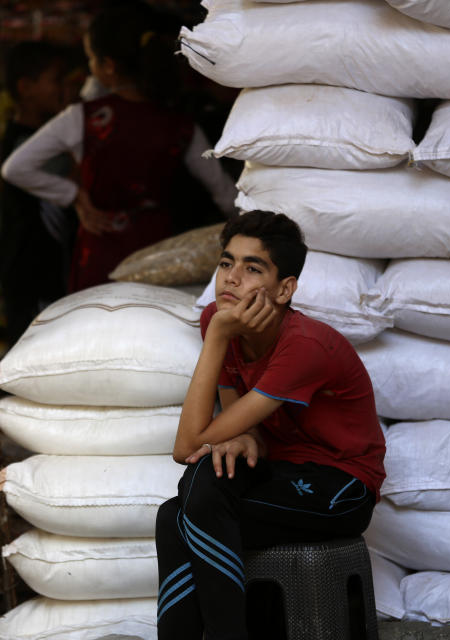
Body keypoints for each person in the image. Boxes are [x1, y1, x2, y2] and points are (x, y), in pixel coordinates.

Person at [156, 211, 386, 639]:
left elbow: (186, 443)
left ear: (285, 289)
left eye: (252, 268)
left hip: (342, 487)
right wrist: (242, 432)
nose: (232, 278)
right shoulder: (219, 322)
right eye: (226, 263)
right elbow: (235, 424)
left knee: (197, 490)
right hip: (281, 472)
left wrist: (220, 336)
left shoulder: (303, 345)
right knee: (175, 512)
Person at [1, 2, 237, 293]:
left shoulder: (85, 118)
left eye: (91, 60)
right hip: (162, 256)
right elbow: (225, 193)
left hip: (102, 254)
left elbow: (15, 168)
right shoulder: (180, 125)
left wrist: (73, 195)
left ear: (108, 67)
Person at [0, 41, 71, 346]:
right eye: (56, 80)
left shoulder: (39, 137)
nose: (63, 89)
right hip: (33, 273)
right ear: (26, 87)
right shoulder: (24, 146)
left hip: (44, 271)